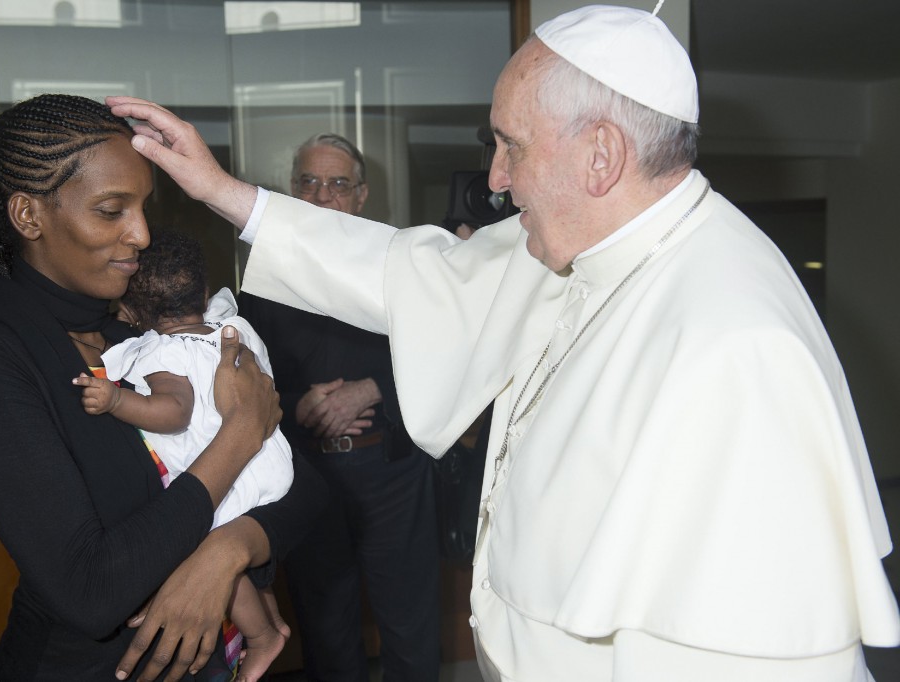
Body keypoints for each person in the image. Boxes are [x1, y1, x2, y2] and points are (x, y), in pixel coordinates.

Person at [107, 4, 900, 680]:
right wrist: (222, 191)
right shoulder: (587, 239)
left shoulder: (738, 345)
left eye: (510, 144)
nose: (494, 179)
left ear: (601, 156)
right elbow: (408, 274)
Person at [0, 93, 325, 681]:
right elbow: (91, 591)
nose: (143, 235)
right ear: (29, 216)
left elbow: (307, 492)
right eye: (111, 210)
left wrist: (223, 556)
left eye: (144, 207)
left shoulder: (141, 332)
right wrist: (241, 433)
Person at [237, 133, 441, 681]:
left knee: (410, 622)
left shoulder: (403, 264)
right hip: (310, 475)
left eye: (337, 184)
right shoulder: (262, 279)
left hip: (392, 470)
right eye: (309, 182)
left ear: (361, 196)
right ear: (291, 191)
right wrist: (293, 402)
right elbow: (243, 375)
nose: (322, 196)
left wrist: (371, 388)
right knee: (325, 627)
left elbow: (447, 354)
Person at [73, 230, 294, 682]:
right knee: (246, 553)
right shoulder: (234, 330)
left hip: (227, 471)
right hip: (266, 460)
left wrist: (116, 401)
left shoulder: (164, 352)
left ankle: (261, 637)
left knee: (209, 551)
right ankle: (269, 613)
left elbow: (174, 412)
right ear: (206, 293)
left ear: (131, 312)